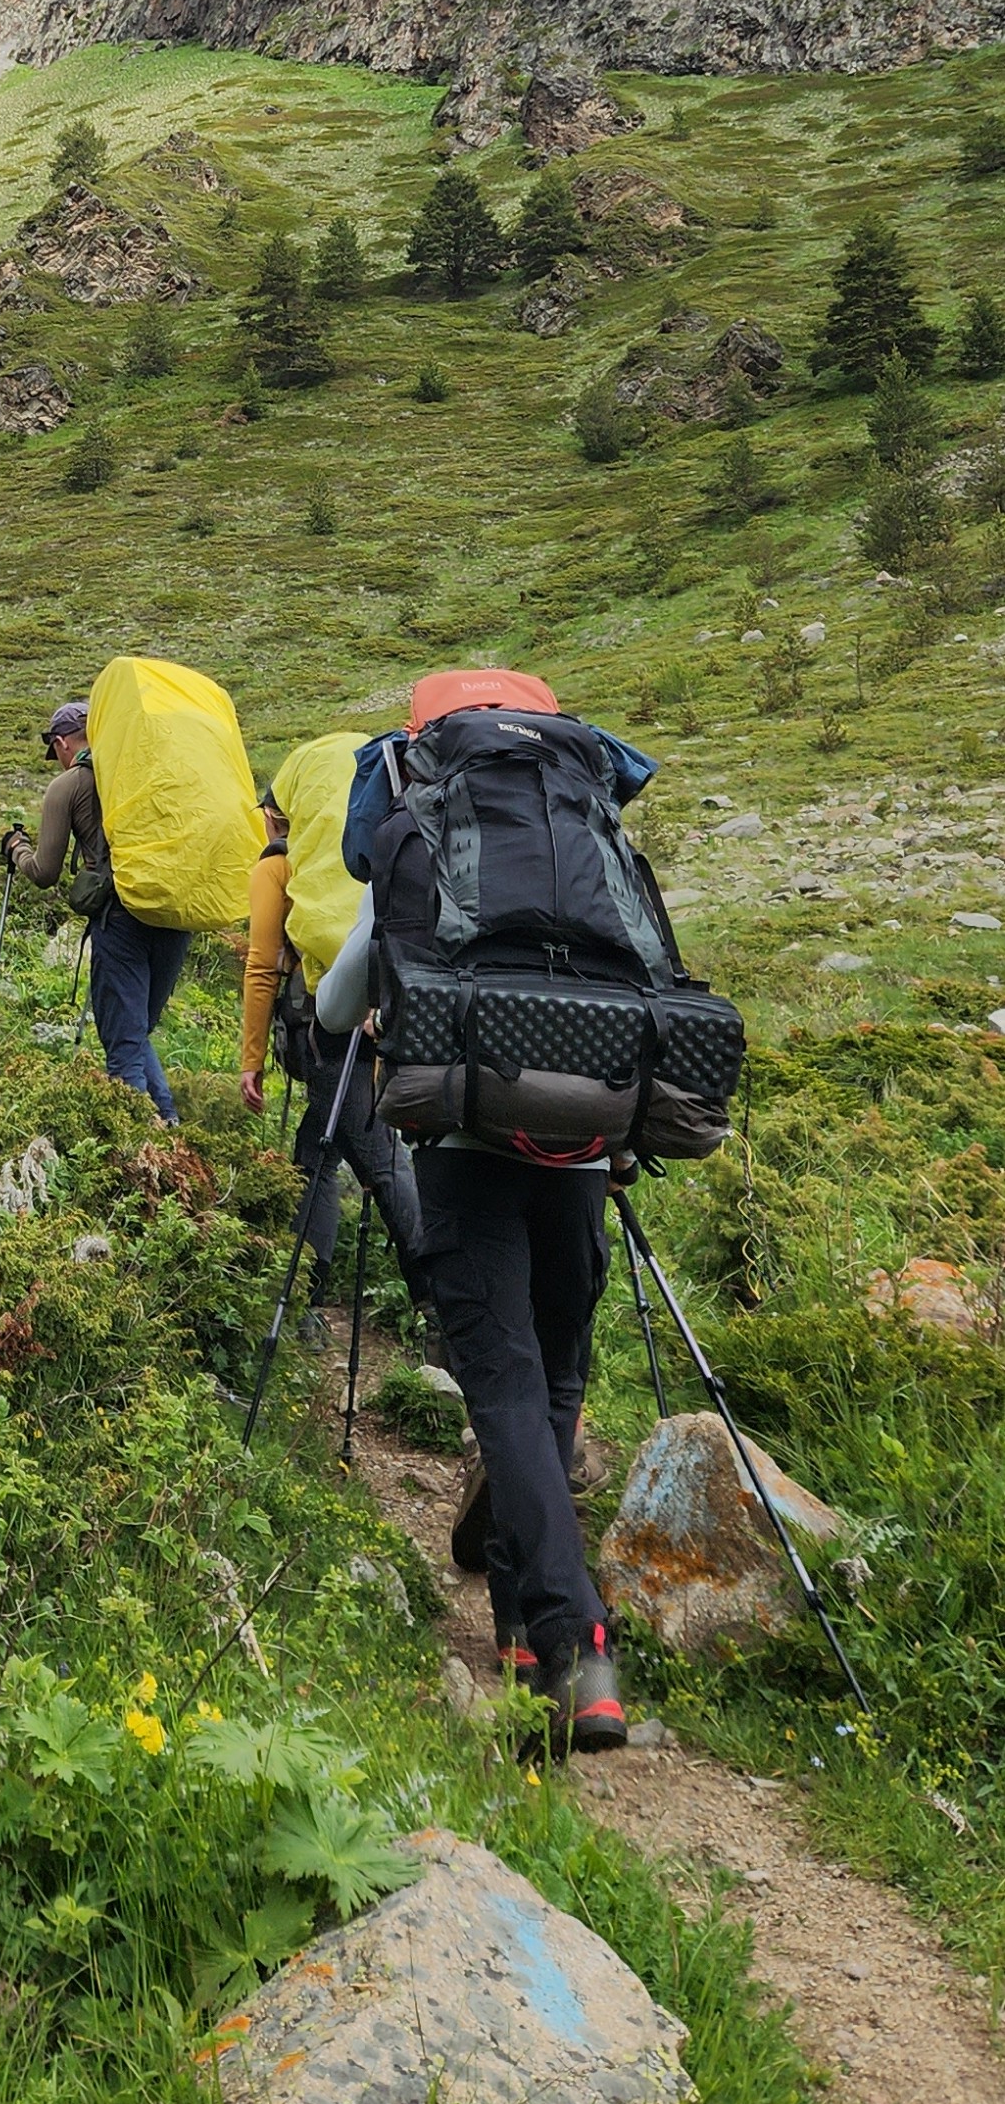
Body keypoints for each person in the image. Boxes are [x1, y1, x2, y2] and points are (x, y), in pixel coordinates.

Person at [319, 668, 646, 1753]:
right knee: (552, 1387)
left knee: (503, 1389)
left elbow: (338, 1002)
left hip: (464, 1142)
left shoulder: (427, 830)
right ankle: (518, 1626)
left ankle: (572, 1641)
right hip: (583, 1154)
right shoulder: (587, 837)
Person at [241, 731, 424, 1307]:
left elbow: (262, 966)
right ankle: (309, 1288)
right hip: (401, 1013)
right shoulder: (396, 849)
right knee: (318, 1151)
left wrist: (251, 1060)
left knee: (379, 1160)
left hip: (328, 1027)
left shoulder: (282, 865)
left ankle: (438, 1295)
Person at [3, 700, 188, 1124]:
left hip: (121, 921)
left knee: (123, 1044)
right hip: (176, 914)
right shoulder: (146, 770)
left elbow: (45, 872)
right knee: (135, 1032)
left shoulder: (70, 785)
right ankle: (168, 1126)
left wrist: (17, 849)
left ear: (62, 743)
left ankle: (136, 1143)